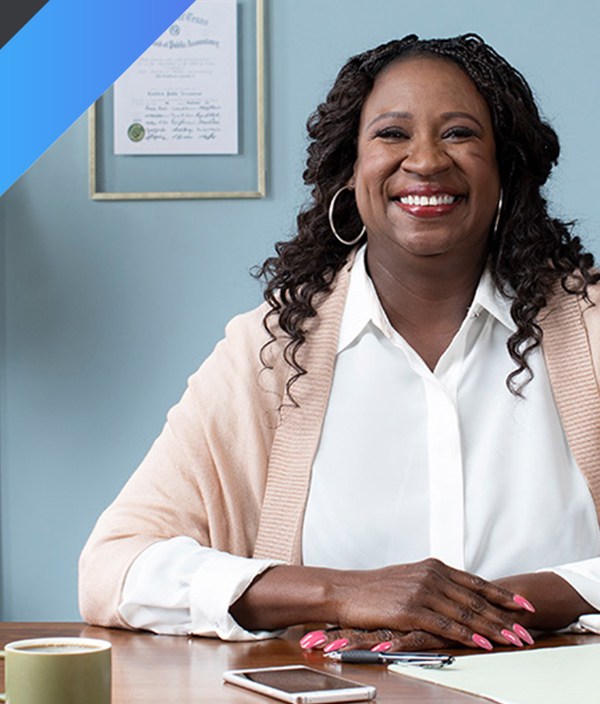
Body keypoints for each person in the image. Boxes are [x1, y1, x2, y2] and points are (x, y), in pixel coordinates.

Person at [79, 34, 600, 653]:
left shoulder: (590, 333)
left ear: (507, 168)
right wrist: (341, 592)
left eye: (460, 133)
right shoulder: (272, 354)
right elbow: (114, 568)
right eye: (391, 134)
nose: (426, 161)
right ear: (349, 173)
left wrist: (514, 603)